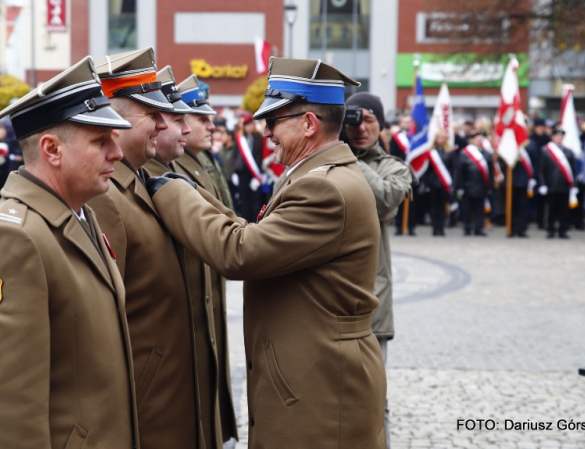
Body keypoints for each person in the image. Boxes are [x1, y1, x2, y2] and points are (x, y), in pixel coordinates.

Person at [147, 57, 386, 448]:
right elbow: (255, 231)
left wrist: (173, 192)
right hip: (314, 378)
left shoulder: (324, 188)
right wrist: (194, 195)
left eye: (275, 120)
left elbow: (241, 252)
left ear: (308, 124)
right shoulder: (316, 175)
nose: (267, 131)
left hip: (323, 388)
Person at [0, 56, 139, 448]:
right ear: (52, 150)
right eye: (100, 141)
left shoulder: (80, 212)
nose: (117, 154)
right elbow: (6, 412)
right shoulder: (12, 242)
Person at [88, 48, 217, 449]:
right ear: (114, 118)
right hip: (147, 410)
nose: (165, 124)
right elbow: (101, 330)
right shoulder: (105, 196)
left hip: (173, 400)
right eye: (153, 114)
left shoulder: (143, 179)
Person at [143, 66, 226, 448]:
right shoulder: (142, 183)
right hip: (158, 379)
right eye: (181, 118)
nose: (196, 128)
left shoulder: (175, 171)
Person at [344, 92, 416, 448]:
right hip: (327, 300)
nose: (361, 128)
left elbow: (385, 201)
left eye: (370, 120)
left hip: (373, 299)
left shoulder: (394, 167)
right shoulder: (324, 160)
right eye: (354, 119)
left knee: (373, 400)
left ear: (382, 125)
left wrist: (340, 153)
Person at [538, 127, 577, 239]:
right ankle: (550, 229)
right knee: (551, 209)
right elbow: (541, 170)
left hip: (564, 185)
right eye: (557, 136)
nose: (559, 139)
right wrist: (542, 184)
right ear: (552, 137)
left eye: (561, 137)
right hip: (551, 185)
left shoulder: (568, 152)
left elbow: (573, 170)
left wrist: (574, 185)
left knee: (564, 210)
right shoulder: (546, 151)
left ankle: (562, 230)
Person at [455, 130, 494, 236]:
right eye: (477, 138)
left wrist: (490, 186)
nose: (479, 140)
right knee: (467, 209)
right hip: (468, 185)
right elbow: (460, 171)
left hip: (482, 186)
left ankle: (478, 228)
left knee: (479, 209)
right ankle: (467, 228)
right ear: (472, 140)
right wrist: (460, 187)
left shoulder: (486, 154)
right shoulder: (465, 153)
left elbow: (490, 172)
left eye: (481, 138)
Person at [422, 129, 453, 236]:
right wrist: (426, 184)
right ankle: (435, 228)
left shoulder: (450, 152)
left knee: (443, 206)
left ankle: (441, 227)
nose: (440, 139)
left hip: (445, 183)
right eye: (438, 137)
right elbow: (427, 170)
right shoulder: (431, 151)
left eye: (442, 137)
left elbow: (454, 168)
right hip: (433, 183)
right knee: (433, 206)